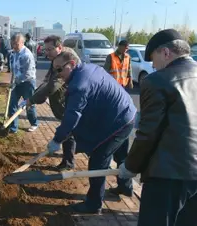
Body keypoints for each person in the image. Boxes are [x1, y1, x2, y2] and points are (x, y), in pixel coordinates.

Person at [118, 29, 197, 226]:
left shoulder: (157, 81)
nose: (153, 65)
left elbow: (147, 134)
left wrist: (130, 167)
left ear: (165, 53)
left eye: (153, 58)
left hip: (168, 175)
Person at [48, 49, 137, 214]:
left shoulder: (79, 84)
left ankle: (93, 204)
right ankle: (126, 188)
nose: (57, 73)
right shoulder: (88, 68)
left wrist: (57, 140)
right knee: (120, 155)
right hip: (127, 113)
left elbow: (72, 116)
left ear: (72, 64)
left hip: (118, 121)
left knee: (98, 161)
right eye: (55, 69)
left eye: (60, 69)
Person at [27, 35, 76, 170]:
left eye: (49, 49)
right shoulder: (55, 60)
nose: (46, 52)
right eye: (45, 49)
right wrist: (34, 95)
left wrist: (33, 100)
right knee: (68, 132)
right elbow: (46, 82)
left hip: (69, 103)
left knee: (69, 132)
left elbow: (53, 86)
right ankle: (68, 159)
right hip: (62, 103)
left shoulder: (65, 62)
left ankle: (68, 162)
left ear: (59, 48)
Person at [8, 33, 38, 133]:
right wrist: (12, 80)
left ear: (22, 42)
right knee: (12, 104)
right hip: (17, 83)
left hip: (28, 83)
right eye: (12, 44)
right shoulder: (14, 53)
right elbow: (14, 68)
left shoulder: (27, 55)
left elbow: (28, 74)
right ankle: (13, 127)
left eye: (16, 44)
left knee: (29, 105)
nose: (14, 46)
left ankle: (34, 123)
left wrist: (17, 80)